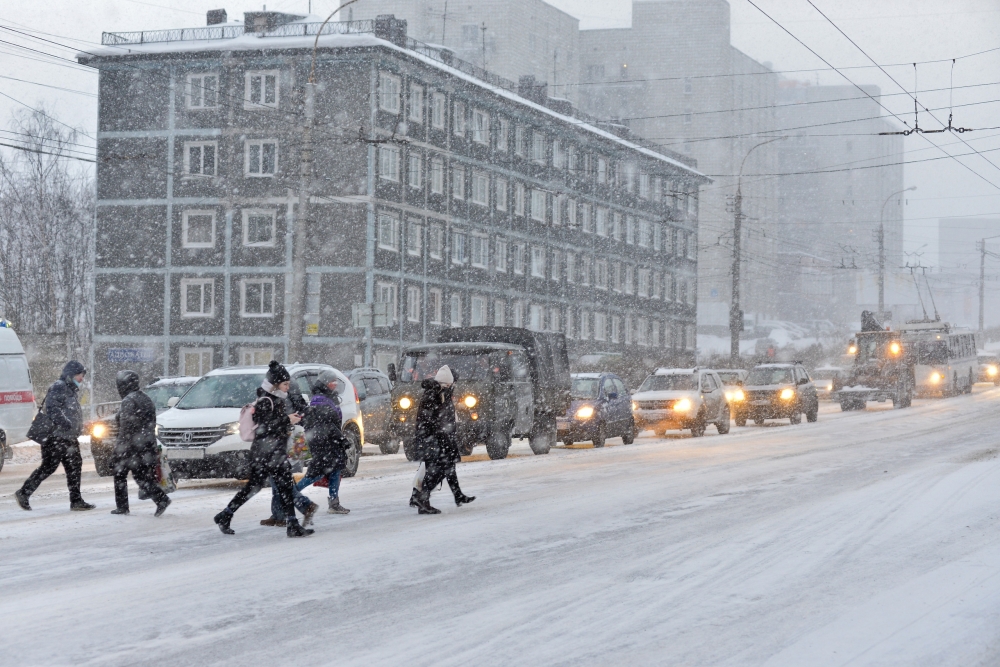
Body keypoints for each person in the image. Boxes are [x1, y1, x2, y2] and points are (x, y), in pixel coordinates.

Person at [214, 361, 313, 537]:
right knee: (264, 487)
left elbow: (272, 427)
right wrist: (286, 420)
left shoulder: (276, 399)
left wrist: (289, 422)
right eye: (285, 384)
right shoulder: (266, 401)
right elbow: (265, 427)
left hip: (271, 452)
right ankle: (292, 525)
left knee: (275, 486)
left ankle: (226, 515)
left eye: (289, 384)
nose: (288, 388)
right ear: (275, 384)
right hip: (267, 453)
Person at [15, 361, 95, 511]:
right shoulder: (59, 387)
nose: (81, 379)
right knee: (49, 467)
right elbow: (53, 409)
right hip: (57, 437)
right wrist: (67, 423)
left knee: (74, 467)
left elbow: (68, 411)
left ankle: (76, 500)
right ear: (71, 375)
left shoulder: (69, 389)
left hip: (67, 437)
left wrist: (78, 426)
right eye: (80, 375)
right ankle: (23, 493)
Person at [410, 365, 474, 514]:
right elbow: (433, 420)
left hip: (439, 439)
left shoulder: (439, 393)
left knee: (443, 468)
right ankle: (420, 497)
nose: (451, 387)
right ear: (445, 383)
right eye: (449, 384)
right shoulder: (435, 394)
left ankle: (426, 498)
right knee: (437, 470)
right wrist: (441, 435)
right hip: (434, 440)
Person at [109, 370, 171, 517]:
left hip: (132, 446)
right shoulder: (145, 398)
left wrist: (118, 452)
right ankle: (161, 499)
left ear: (123, 385)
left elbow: (125, 429)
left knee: (119, 474)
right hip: (146, 444)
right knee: (141, 476)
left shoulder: (128, 401)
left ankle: (122, 507)